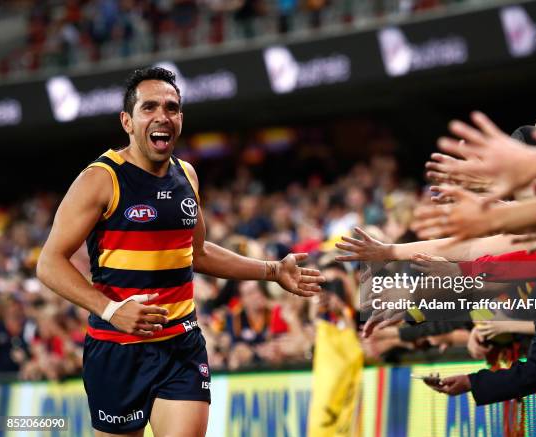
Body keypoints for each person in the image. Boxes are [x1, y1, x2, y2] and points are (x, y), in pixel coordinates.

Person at [36, 67, 324, 437]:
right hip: (116, 350)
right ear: (127, 121)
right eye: (150, 107)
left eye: (171, 108)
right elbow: (49, 263)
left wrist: (272, 270)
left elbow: (197, 253)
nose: (162, 116)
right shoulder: (101, 179)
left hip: (180, 344)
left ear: (181, 119)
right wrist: (111, 311)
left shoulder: (186, 175)